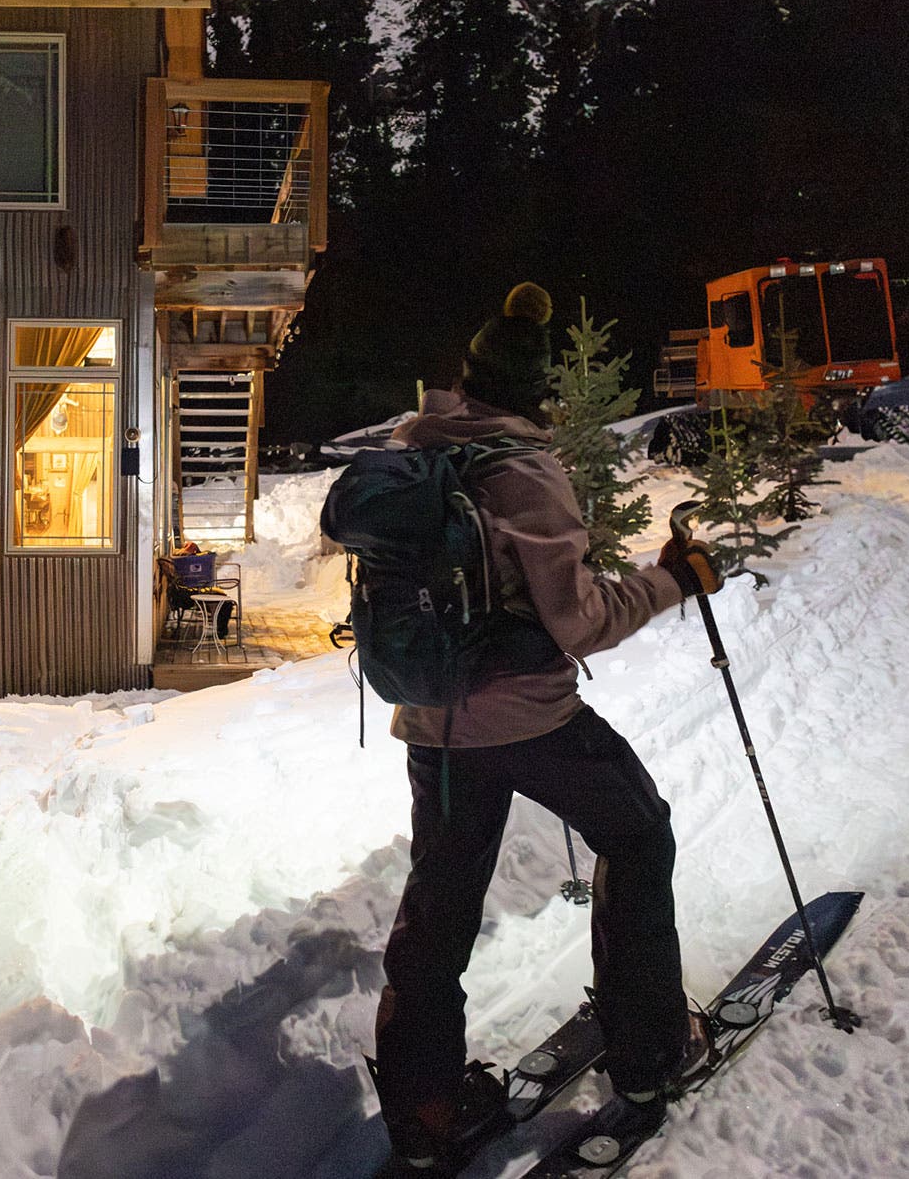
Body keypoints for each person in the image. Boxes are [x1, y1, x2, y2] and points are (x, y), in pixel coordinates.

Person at [373, 281, 725, 1176]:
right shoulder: (525, 473)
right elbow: (582, 621)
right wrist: (674, 580)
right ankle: (649, 1054)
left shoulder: (413, 451)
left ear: (470, 377)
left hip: (433, 722)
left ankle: (424, 1114)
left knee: (439, 909)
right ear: (536, 392)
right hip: (529, 717)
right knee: (639, 835)